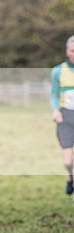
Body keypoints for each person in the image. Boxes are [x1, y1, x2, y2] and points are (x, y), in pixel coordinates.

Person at [50, 35, 74, 198]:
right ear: (67, 52)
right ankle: (70, 177)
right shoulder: (58, 71)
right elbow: (53, 94)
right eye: (72, 50)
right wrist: (55, 110)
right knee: (68, 162)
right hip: (65, 116)